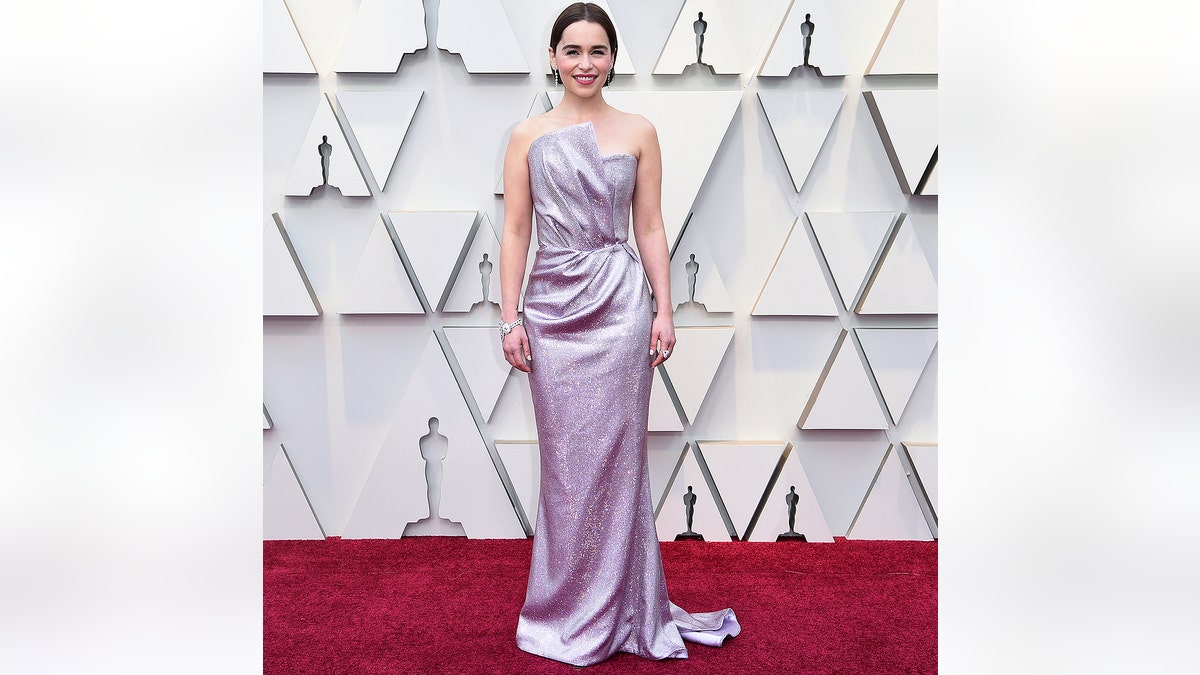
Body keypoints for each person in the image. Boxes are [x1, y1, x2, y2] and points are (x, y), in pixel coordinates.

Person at [497, 2, 739, 667]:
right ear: (552, 57)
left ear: (612, 58)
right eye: (571, 50)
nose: (584, 63)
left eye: (597, 50)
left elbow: (651, 226)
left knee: (620, 462)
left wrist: (664, 308)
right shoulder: (526, 135)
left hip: (620, 307)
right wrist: (509, 315)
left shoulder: (639, 130)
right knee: (567, 468)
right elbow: (515, 229)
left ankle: (627, 606)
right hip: (551, 310)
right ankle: (563, 608)